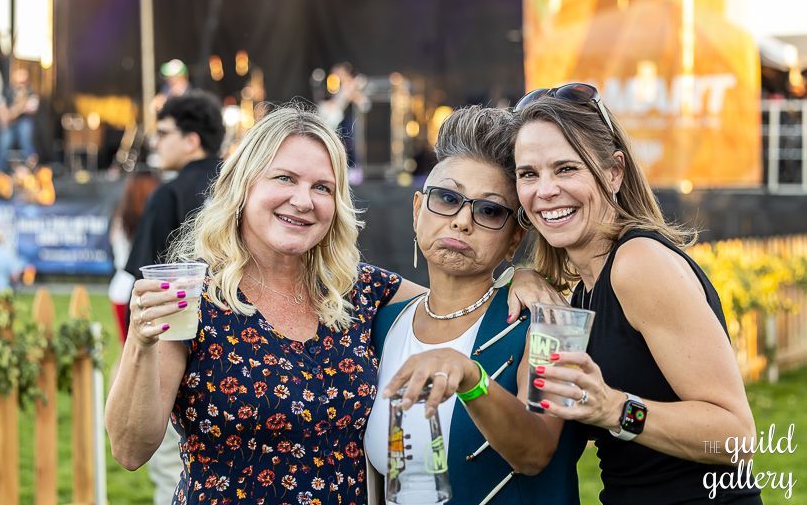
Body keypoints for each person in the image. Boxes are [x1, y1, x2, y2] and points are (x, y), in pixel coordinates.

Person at [106, 105, 560, 504]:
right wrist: (141, 347)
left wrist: (521, 272)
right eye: (284, 178)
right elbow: (130, 451)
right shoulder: (196, 300)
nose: (302, 200)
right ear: (243, 186)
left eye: (322, 187)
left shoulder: (358, 292)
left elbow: (452, 300)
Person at [505, 83, 761, 503]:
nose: (545, 190)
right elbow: (537, 439)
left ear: (613, 171)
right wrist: (517, 277)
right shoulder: (582, 293)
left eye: (566, 168)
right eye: (528, 174)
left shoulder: (638, 263)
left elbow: (737, 435)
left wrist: (616, 408)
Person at [367, 106, 584, 504]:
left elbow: (536, 453)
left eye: (489, 210)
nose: (462, 221)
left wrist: (473, 379)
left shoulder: (555, 325)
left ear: (514, 239)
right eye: (447, 199)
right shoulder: (380, 325)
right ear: (418, 211)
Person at [122, 89, 225, 505]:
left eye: (164, 132)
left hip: (177, 349)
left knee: (171, 465)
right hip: (251, 353)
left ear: (191, 140)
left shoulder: (168, 194)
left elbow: (142, 283)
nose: (156, 142)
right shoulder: (249, 187)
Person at [108, 170, 160, 342]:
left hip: (119, 287)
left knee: (127, 349)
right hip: (138, 288)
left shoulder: (121, 219)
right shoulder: (151, 222)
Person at [0, 67, 39, 172]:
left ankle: (32, 166)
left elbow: (32, 108)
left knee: (26, 135)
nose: (21, 83)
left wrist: (18, 110)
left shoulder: (31, 93)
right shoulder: (7, 91)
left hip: (23, 121)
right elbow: (1, 107)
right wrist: (5, 116)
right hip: (9, 123)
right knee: (5, 141)